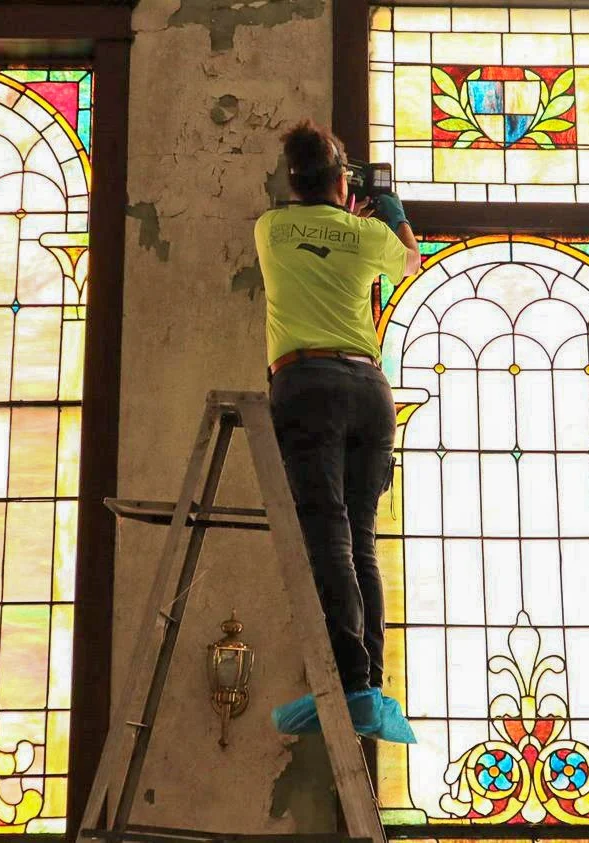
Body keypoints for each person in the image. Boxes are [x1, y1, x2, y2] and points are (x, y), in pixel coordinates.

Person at [254, 120, 421, 742]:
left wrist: (340, 212)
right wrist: (393, 214)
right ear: (343, 180)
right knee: (362, 539)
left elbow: (311, 233)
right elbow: (408, 260)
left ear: (291, 179)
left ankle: (351, 683)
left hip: (305, 385)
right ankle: (368, 686)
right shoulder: (366, 233)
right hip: (367, 389)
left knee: (326, 532)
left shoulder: (270, 229)